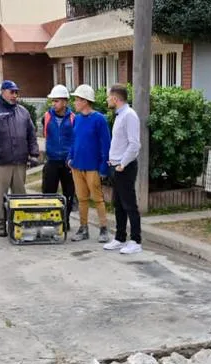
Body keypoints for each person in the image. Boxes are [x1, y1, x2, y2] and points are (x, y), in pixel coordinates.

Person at [0, 80, 40, 237]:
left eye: (17, 92)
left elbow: (31, 134)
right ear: (3, 92)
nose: (15, 95)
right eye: (12, 92)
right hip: (0, 162)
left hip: (19, 161)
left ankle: (19, 222)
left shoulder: (23, 112)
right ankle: (0, 224)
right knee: (0, 195)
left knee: (20, 195)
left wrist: (34, 154)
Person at [66, 84, 111, 242]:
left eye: (77, 99)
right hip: (77, 166)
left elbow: (106, 144)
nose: (75, 103)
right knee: (82, 198)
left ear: (85, 101)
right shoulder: (77, 119)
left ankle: (104, 229)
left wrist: (104, 167)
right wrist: (70, 157)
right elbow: (73, 140)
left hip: (93, 167)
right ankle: (83, 228)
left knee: (98, 199)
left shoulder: (99, 119)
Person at [104, 84, 143, 255]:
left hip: (124, 167)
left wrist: (122, 163)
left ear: (115, 98)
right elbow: (120, 142)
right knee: (118, 204)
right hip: (116, 165)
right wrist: (112, 160)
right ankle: (120, 237)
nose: (107, 100)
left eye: (108, 97)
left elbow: (135, 144)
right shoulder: (120, 115)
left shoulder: (129, 115)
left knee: (129, 204)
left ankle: (136, 240)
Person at [41, 84, 77, 230]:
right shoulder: (47, 116)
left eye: (56, 101)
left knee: (69, 193)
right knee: (48, 192)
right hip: (52, 160)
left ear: (65, 102)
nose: (53, 104)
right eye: (52, 101)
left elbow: (75, 139)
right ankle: (49, 220)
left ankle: (65, 220)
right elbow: (45, 135)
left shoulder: (74, 118)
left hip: (67, 162)